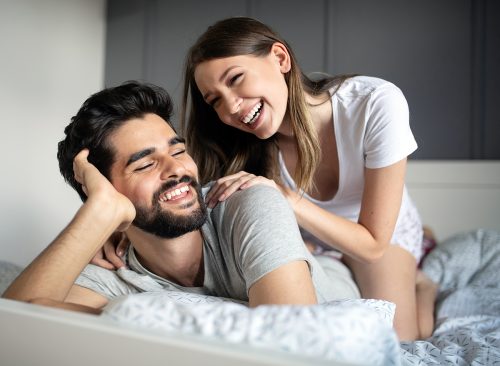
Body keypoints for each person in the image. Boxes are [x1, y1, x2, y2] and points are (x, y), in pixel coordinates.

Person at [180, 16, 437, 340]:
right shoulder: (243, 147)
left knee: (404, 339)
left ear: (280, 58)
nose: (231, 107)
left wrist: (287, 198)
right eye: (215, 100)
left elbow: (372, 244)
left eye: (235, 79)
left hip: (377, 235)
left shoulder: (375, 103)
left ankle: (423, 285)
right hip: (312, 238)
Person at [2, 81, 360, 313]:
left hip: (340, 269)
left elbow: (290, 340)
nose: (175, 170)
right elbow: (16, 328)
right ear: (105, 192)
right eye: (144, 165)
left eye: (177, 151)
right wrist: (98, 216)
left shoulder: (248, 202)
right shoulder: (108, 267)